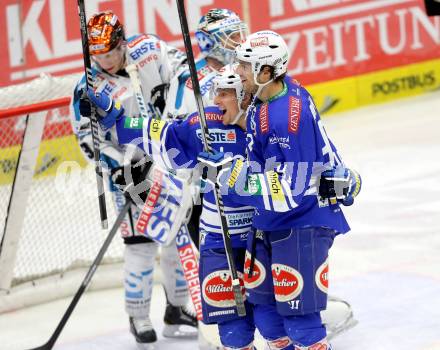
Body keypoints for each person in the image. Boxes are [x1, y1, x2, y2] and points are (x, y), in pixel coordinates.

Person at [199, 30, 361, 349]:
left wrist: (234, 180)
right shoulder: (267, 100)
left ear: (266, 72)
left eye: (245, 67)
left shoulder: (288, 115)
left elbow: (292, 188)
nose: (239, 72)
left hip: (302, 220)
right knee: (268, 318)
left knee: (299, 323)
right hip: (272, 220)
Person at [70, 11, 197, 348]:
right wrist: (121, 169)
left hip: (170, 162)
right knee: (140, 246)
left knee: (175, 235)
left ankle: (176, 307)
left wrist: (178, 122)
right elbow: (88, 141)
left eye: (110, 53)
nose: (105, 61)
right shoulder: (87, 87)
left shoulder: (149, 49)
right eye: (97, 56)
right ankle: (138, 316)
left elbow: (185, 71)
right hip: (130, 175)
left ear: (122, 42)